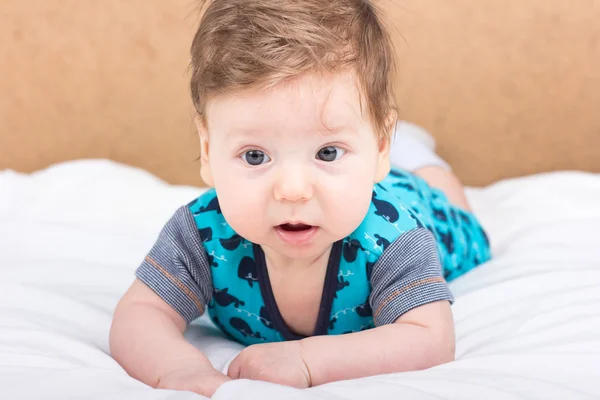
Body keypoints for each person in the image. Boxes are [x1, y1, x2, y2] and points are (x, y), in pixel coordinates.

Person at [109, 0, 491, 397]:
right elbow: (141, 312)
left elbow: (430, 338)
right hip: (359, 177)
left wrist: (307, 360)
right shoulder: (200, 233)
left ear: (379, 147)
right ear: (208, 152)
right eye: (255, 155)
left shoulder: (396, 239)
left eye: (327, 151)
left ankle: (418, 156)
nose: (292, 190)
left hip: (410, 200)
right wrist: (178, 370)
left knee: (445, 199)